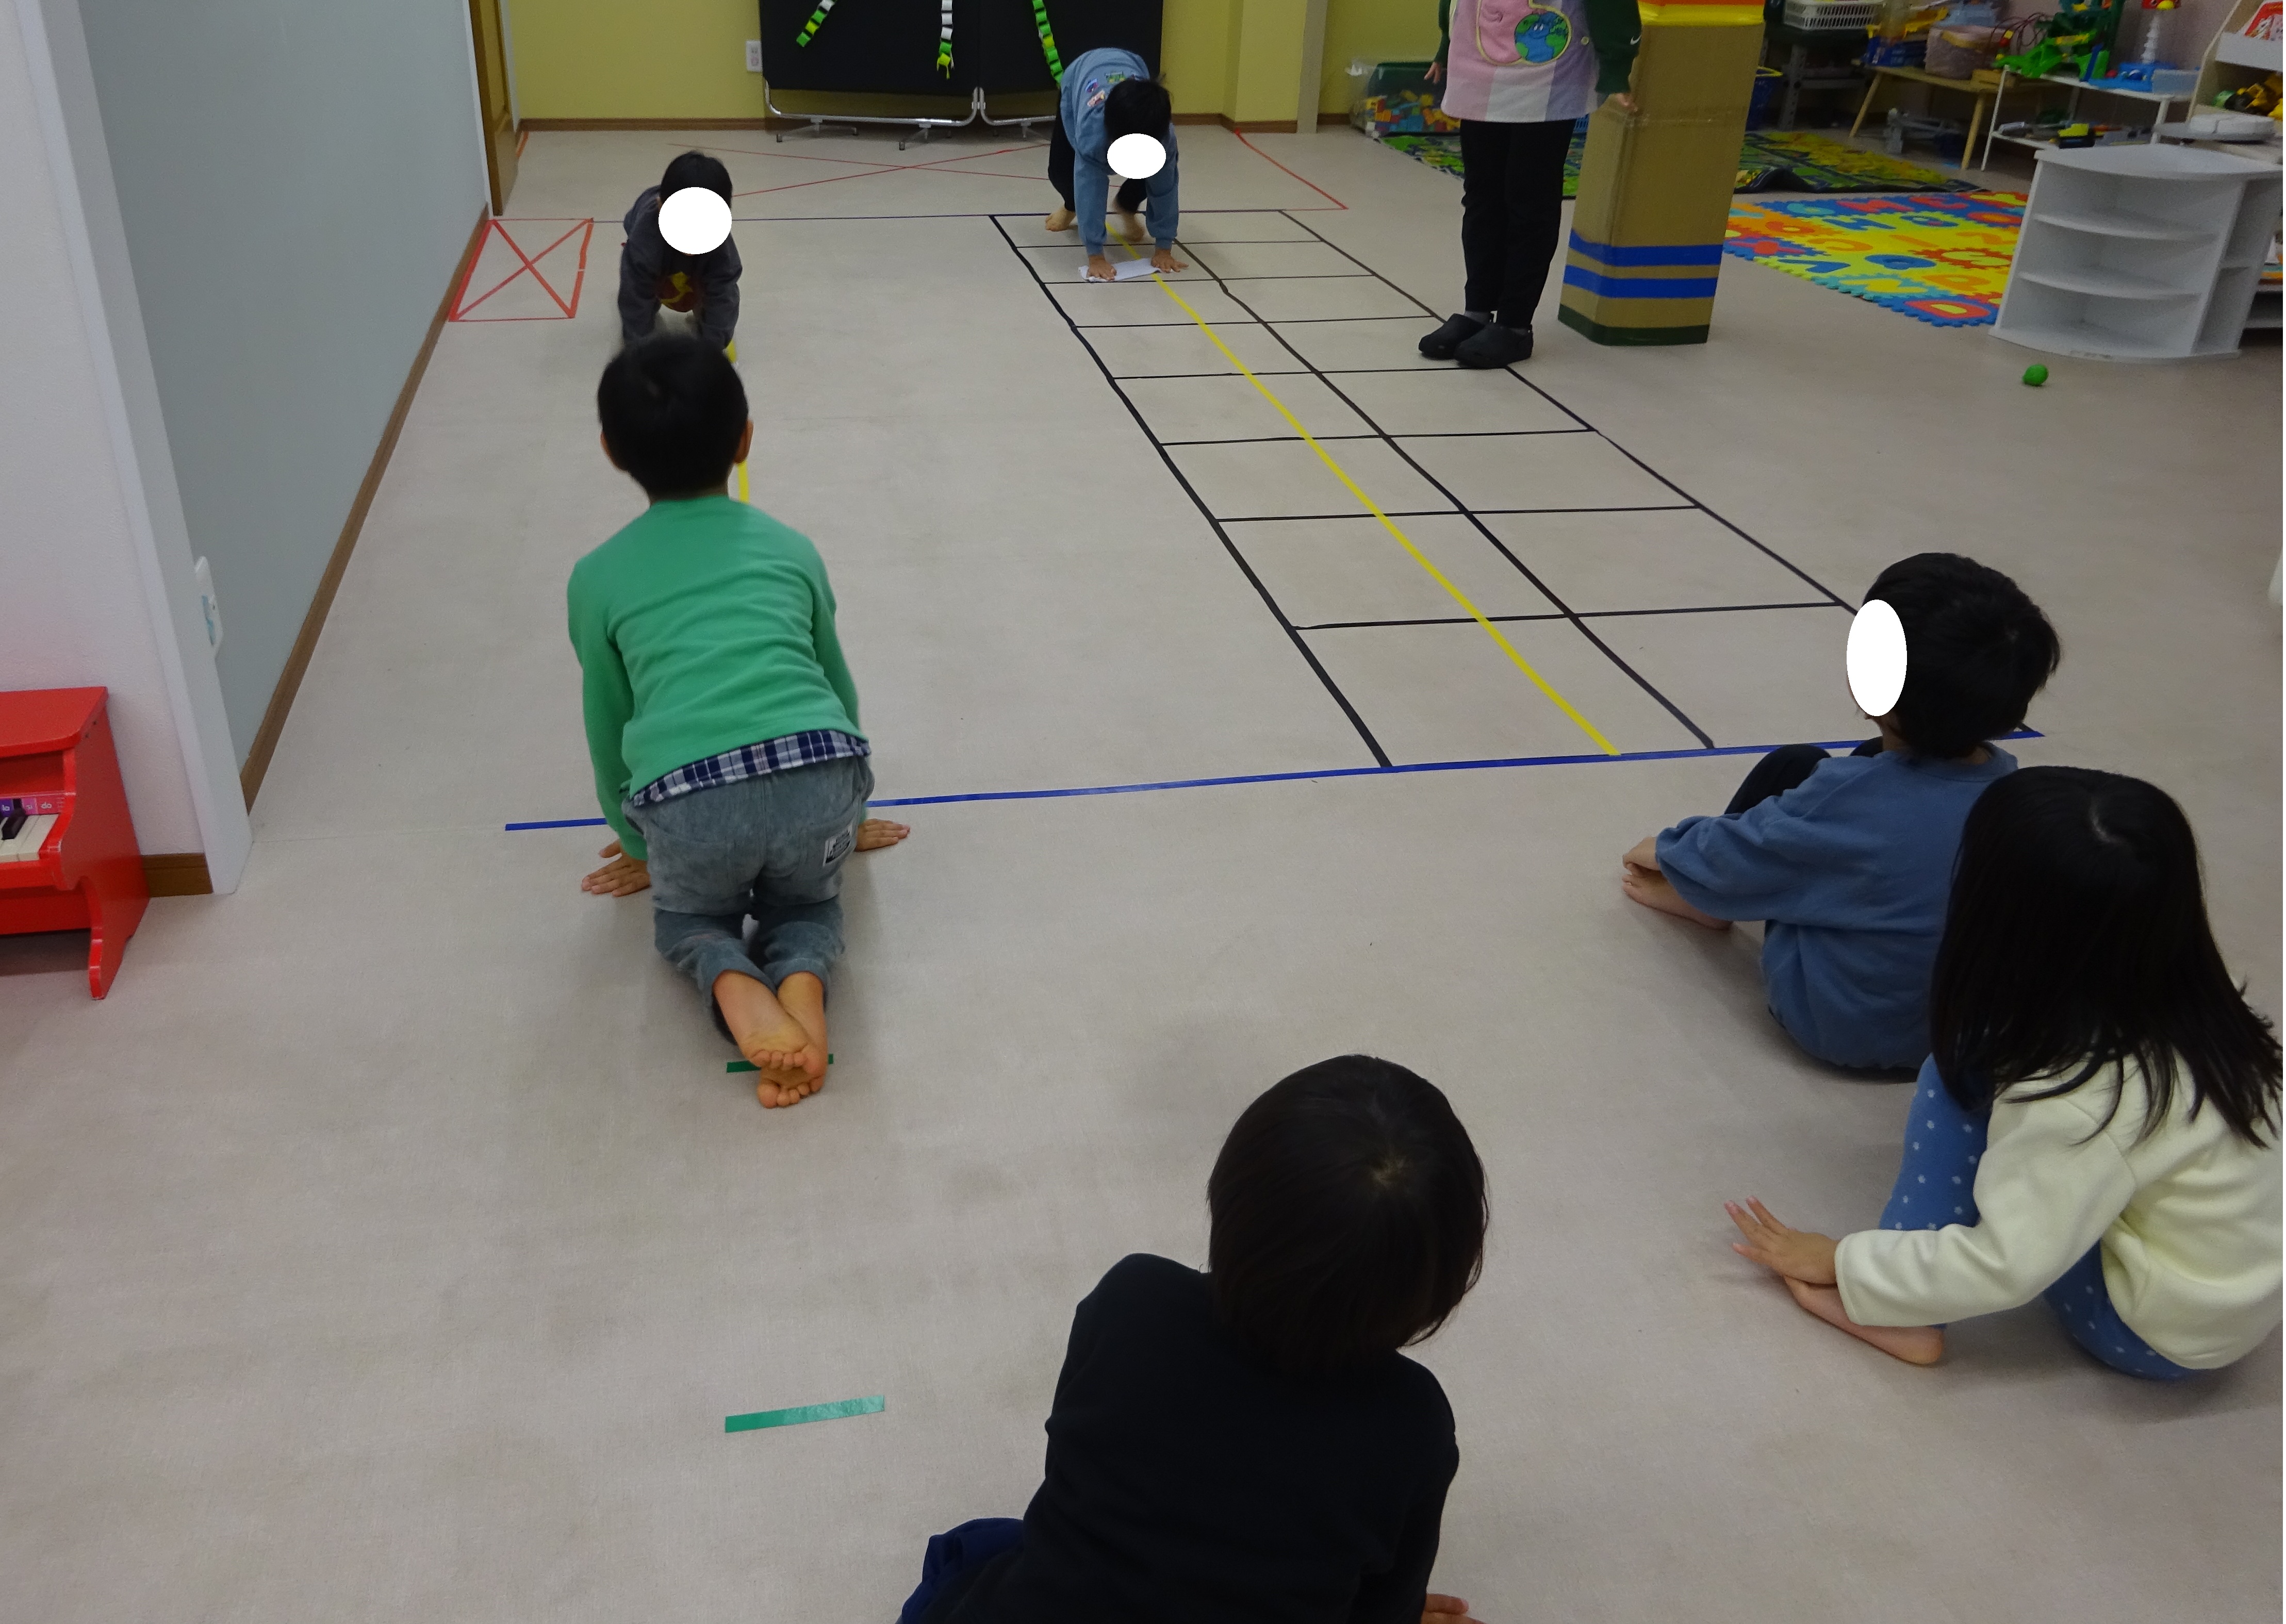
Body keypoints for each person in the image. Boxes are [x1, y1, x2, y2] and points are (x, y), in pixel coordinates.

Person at [1724, 767, 2282, 1377]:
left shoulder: (2080, 1097)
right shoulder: (2215, 1006)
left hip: (2151, 1334)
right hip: (2234, 1297)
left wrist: (1845, 1263)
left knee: (1957, 1075)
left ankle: (1902, 1316)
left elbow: (2006, 1266)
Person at [897, 1056, 1491, 1624]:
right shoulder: (1412, 1425)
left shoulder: (1131, 1301)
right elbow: (1378, 1612)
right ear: (1438, 1286)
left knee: (980, 1549)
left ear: (1229, 1198)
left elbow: (1073, 1477)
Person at [568, 335, 908, 1107]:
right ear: (745, 438)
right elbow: (834, 682)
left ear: (611, 452)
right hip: (821, 772)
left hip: (694, 801)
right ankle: (802, 974)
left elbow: (608, 721)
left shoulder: (597, 576)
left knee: (689, 919)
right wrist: (851, 812)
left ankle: (726, 971)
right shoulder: (791, 548)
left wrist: (637, 841)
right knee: (809, 903)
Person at [1621, 553, 2060, 1071]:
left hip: (1843, 1030)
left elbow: (1736, 859)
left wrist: (1668, 851)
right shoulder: (2011, 792)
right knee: (1845, 772)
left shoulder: (1842, 802)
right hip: (1959, 1035)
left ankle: (1704, 907)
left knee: (1795, 771)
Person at [1417, 0, 1642, 368]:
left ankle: (1515, 324)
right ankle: (1477, 310)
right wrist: (1447, 42)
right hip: (1478, 61)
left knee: (1529, 200)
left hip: (1547, 69)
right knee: (1482, 197)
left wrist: (1616, 66)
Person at [1042, 51, 1188, 285]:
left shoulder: (1164, 139)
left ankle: (1127, 203)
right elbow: (1091, 192)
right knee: (1062, 172)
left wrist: (1164, 248)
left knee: (1153, 168)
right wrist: (1096, 256)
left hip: (1132, 63)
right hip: (1078, 77)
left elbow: (1165, 190)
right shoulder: (1093, 133)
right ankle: (1070, 205)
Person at [618, 151, 742, 355]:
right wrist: (640, 350)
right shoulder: (644, 243)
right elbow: (634, 297)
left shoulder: (722, 249)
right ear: (661, 209)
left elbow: (723, 297)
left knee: (711, 297)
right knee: (649, 289)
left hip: (695, 261)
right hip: (651, 243)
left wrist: (712, 350)